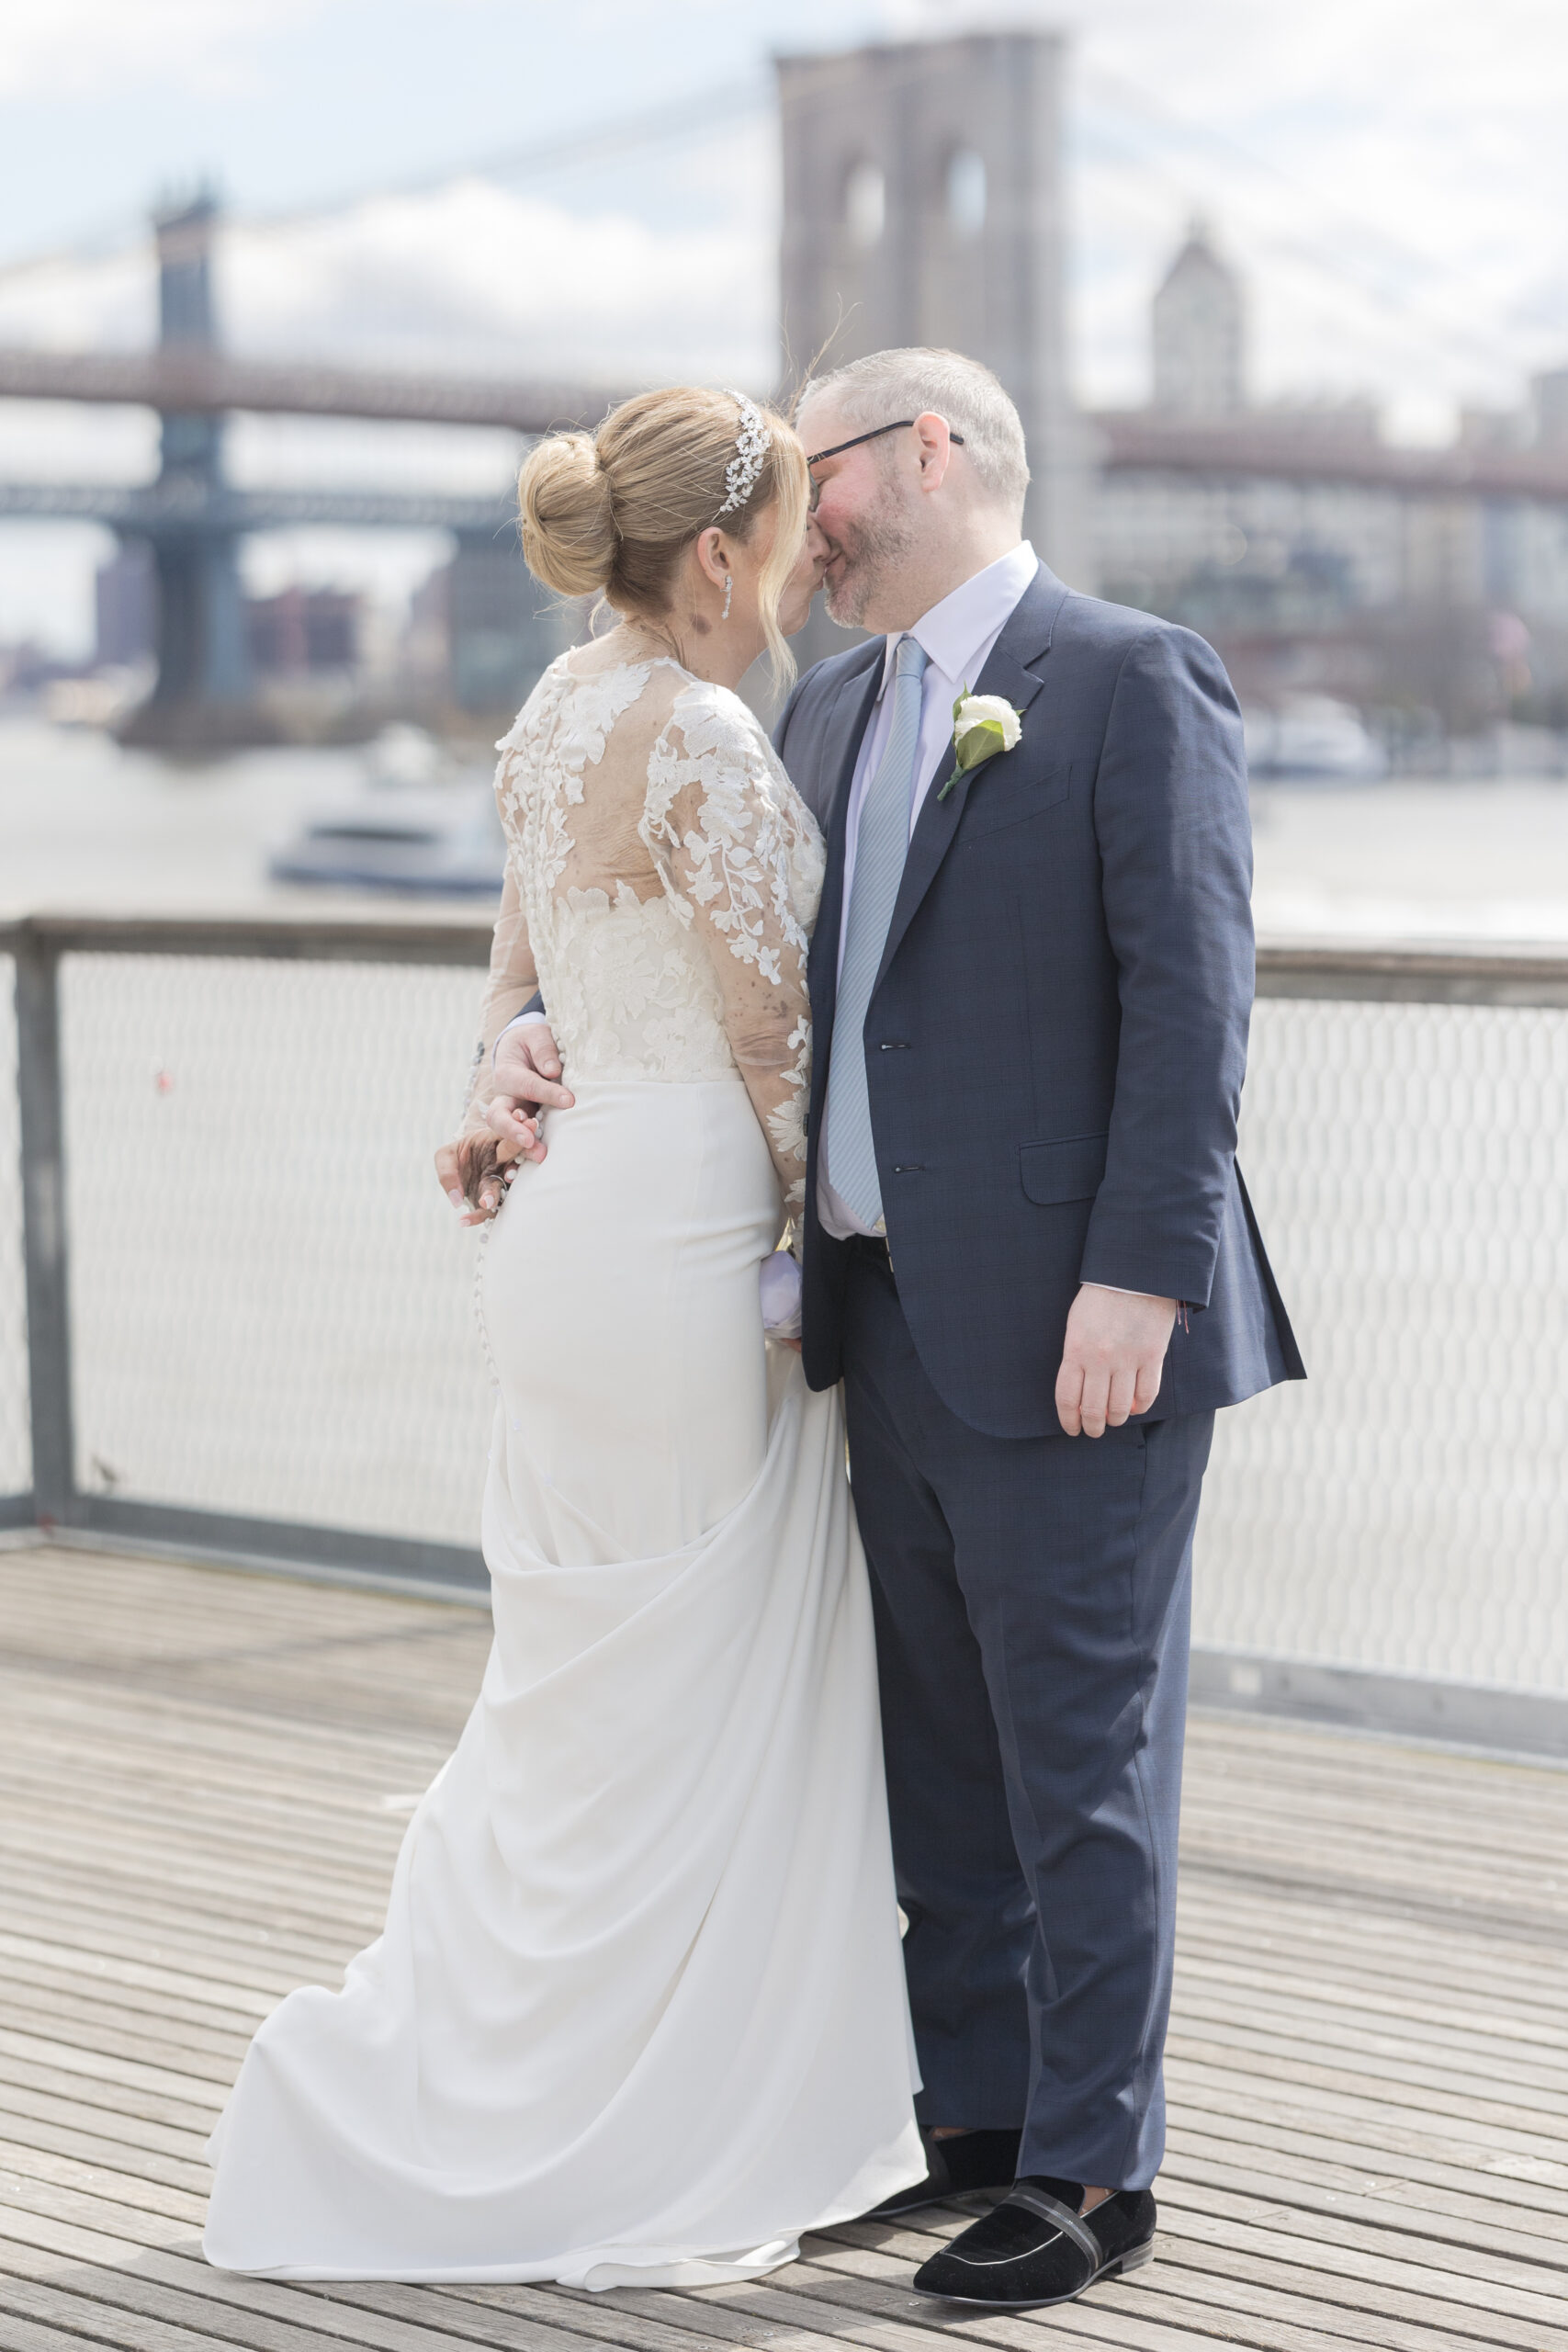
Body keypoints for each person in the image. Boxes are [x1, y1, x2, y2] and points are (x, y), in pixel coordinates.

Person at [479, 347, 1304, 2314]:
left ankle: (1096, 2173)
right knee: (937, 1763)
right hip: (873, 1309)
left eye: (816, 467)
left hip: (1074, 1321)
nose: (795, 516)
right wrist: (531, 1032)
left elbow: (1190, 1001)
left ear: (926, 452)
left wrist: (1144, 1271)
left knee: (1075, 1760)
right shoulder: (828, 698)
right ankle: (978, 2126)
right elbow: (734, 955)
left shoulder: (1127, 674)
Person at [202, 386, 925, 2288]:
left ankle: (496, 2072)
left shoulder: (544, 717)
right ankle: (648, 2108)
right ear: (719, 552)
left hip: (561, 1226)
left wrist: (509, 1069)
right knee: (690, 1676)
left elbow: (517, 982)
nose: (799, 565)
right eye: (780, 535)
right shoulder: (693, 731)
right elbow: (776, 1041)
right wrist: (812, 1248)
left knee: (587, 1669)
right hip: (683, 1225)